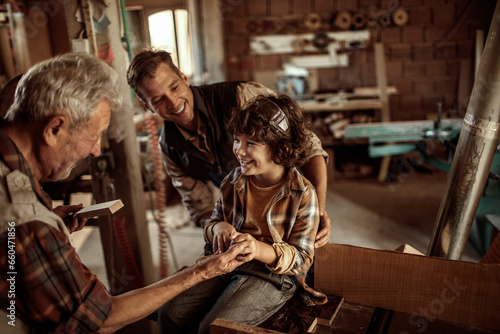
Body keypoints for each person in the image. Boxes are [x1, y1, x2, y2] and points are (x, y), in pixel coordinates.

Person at [0, 53, 245, 334]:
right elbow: (99, 318)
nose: (95, 150)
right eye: (94, 136)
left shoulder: (22, 203)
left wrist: (49, 222)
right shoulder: (25, 219)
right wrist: (202, 271)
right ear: (55, 128)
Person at [156, 94, 328, 334]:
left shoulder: (303, 193)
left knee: (213, 329)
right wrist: (218, 229)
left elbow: (302, 259)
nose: (239, 150)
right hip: (227, 263)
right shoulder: (233, 180)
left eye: (251, 143)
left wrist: (258, 249)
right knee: (170, 313)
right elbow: (212, 222)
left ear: (280, 147)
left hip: (273, 276)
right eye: (237, 140)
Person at [127, 49, 331, 248]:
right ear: (148, 107)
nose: (173, 103)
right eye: (158, 100)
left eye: (174, 87)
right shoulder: (170, 148)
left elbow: (309, 146)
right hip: (245, 225)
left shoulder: (240, 97)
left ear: (184, 77)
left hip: (291, 206)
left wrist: (317, 211)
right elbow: (201, 207)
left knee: (304, 267)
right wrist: (220, 229)